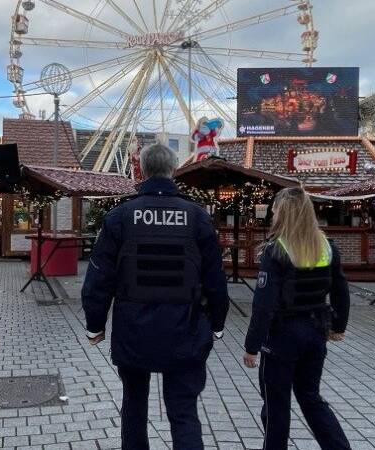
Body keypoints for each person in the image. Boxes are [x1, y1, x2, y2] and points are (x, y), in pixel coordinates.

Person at [82, 143, 229, 450]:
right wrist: (217, 323)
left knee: (134, 407)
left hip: (134, 330)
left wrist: (95, 324)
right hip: (185, 329)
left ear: (143, 170)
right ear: (173, 170)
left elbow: (99, 276)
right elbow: (215, 279)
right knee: (184, 411)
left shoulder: (120, 216)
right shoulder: (197, 217)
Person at [242, 187, 351, 450]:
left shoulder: (276, 249)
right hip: (316, 332)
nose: (272, 214)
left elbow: (264, 304)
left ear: (283, 213)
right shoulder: (326, 246)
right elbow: (341, 289)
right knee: (311, 397)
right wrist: (339, 326)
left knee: (276, 404)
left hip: (283, 337)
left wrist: (252, 346)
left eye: (275, 210)